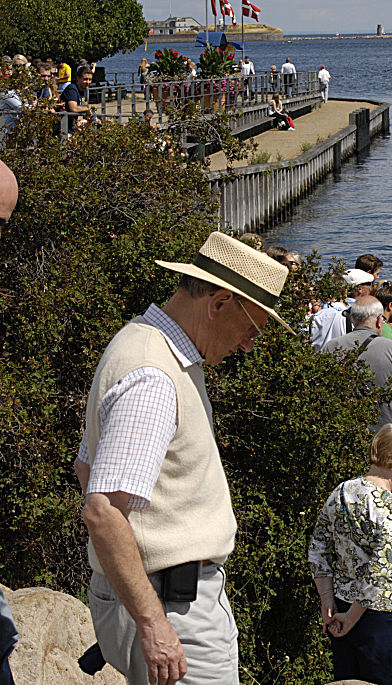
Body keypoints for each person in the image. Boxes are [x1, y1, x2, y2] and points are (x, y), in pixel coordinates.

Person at [74, 231, 293, 684]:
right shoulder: (155, 375)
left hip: (164, 597)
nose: (249, 346)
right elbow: (101, 511)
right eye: (251, 329)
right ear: (219, 303)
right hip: (171, 605)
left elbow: (86, 467)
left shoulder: (143, 344)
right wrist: (153, 624)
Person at [308, 424, 392, 685]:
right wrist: (352, 617)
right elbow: (381, 569)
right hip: (384, 614)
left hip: (341, 603)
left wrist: (328, 601)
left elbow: (318, 550)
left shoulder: (341, 492)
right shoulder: (388, 506)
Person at [321, 296, 392, 433]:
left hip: (344, 437)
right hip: (386, 437)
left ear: (353, 319)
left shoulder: (331, 347)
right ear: (380, 320)